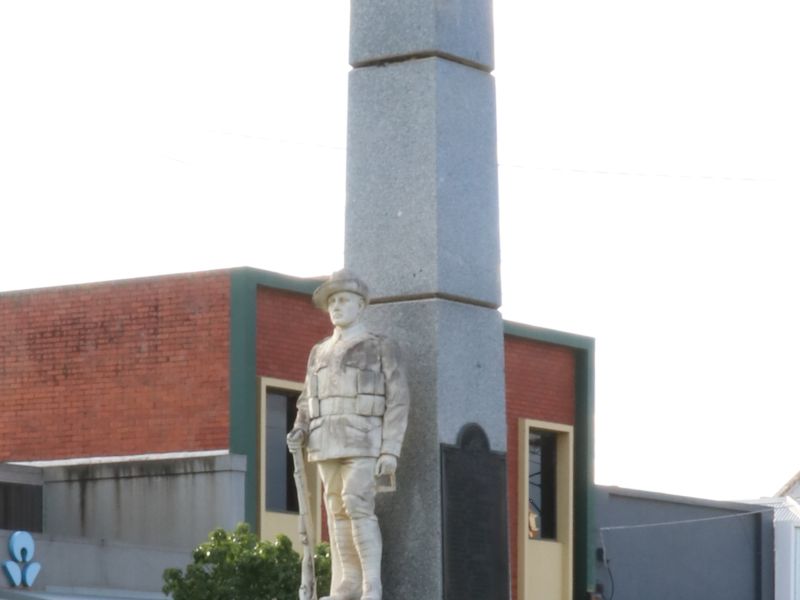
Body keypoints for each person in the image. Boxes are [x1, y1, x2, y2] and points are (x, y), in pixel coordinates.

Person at [287, 269, 409, 600]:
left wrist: (390, 451)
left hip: (364, 439)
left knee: (357, 506)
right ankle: (349, 584)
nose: (337, 307)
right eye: (332, 302)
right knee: (336, 511)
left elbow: (398, 401)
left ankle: (372, 585)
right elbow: (307, 399)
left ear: (360, 305)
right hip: (325, 442)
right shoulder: (318, 352)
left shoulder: (380, 347)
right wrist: (300, 427)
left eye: (343, 300)